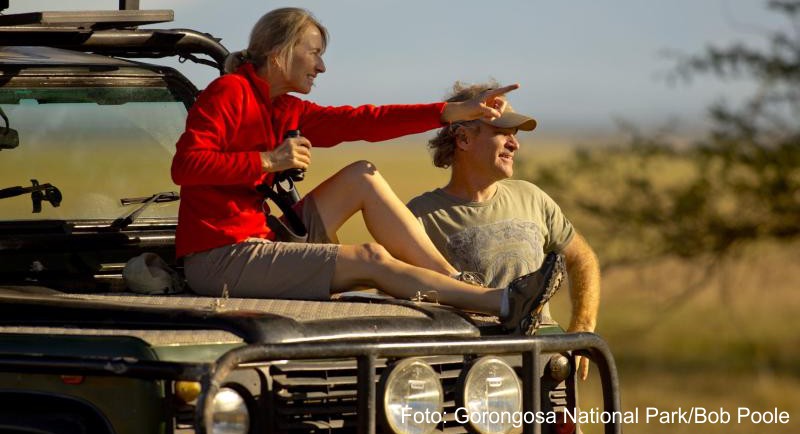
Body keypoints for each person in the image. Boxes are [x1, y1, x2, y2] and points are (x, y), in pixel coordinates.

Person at [170, 7, 563, 333]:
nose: (321, 66)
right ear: (280, 53)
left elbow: (365, 121)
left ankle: (456, 284)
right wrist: (268, 161)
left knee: (362, 173)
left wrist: (447, 113)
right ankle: (502, 302)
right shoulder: (228, 93)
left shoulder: (283, 107)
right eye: (315, 53)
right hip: (219, 258)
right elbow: (185, 166)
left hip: (263, 237)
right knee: (371, 258)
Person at [407, 81, 601, 378]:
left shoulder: (532, 197)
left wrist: (582, 328)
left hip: (544, 370)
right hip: (471, 380)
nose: (515, 143)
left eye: (515, 134)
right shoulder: (419, 216)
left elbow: (582, 257)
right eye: (502, 132)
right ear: (463, 139)